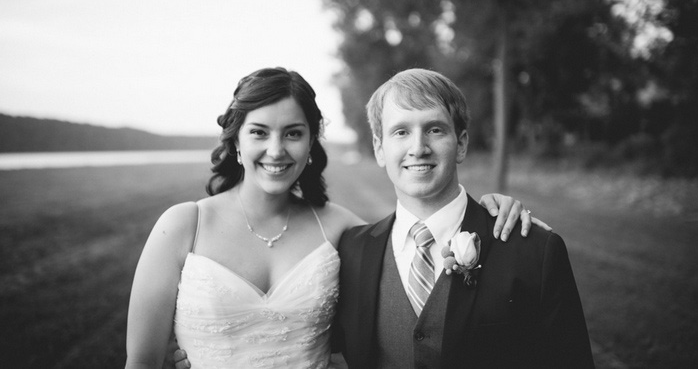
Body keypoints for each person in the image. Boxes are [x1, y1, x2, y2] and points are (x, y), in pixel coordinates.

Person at [126, 67, 540, 369]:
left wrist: (490, 213)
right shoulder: (183, 226)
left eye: (292, 133)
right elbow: (141, 362)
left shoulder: (340, 228)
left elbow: (415, 237)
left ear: (310, 143)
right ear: (235, 143)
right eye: (258, 132)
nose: (276, 150)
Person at [333, 68, 594, 368]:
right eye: (401, 131)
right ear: (380, 148)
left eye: (434, 129)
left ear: (462, 144)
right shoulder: (351, 252)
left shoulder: (534, 250)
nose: (418, 148)